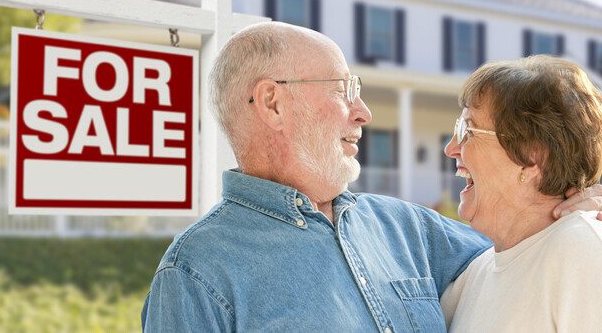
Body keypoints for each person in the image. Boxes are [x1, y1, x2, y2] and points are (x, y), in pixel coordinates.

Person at [142, 23, 600, 332]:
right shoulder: (195, 274)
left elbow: (529, 241)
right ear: (272, 103)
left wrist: (588, 199)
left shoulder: (408, 230)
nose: (363, 113)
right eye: (344, 90)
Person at [441, 55, 602, 332]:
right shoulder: (471, 277)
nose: (451, 148)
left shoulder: (581, 249)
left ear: (531, 154)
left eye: (467, 129)